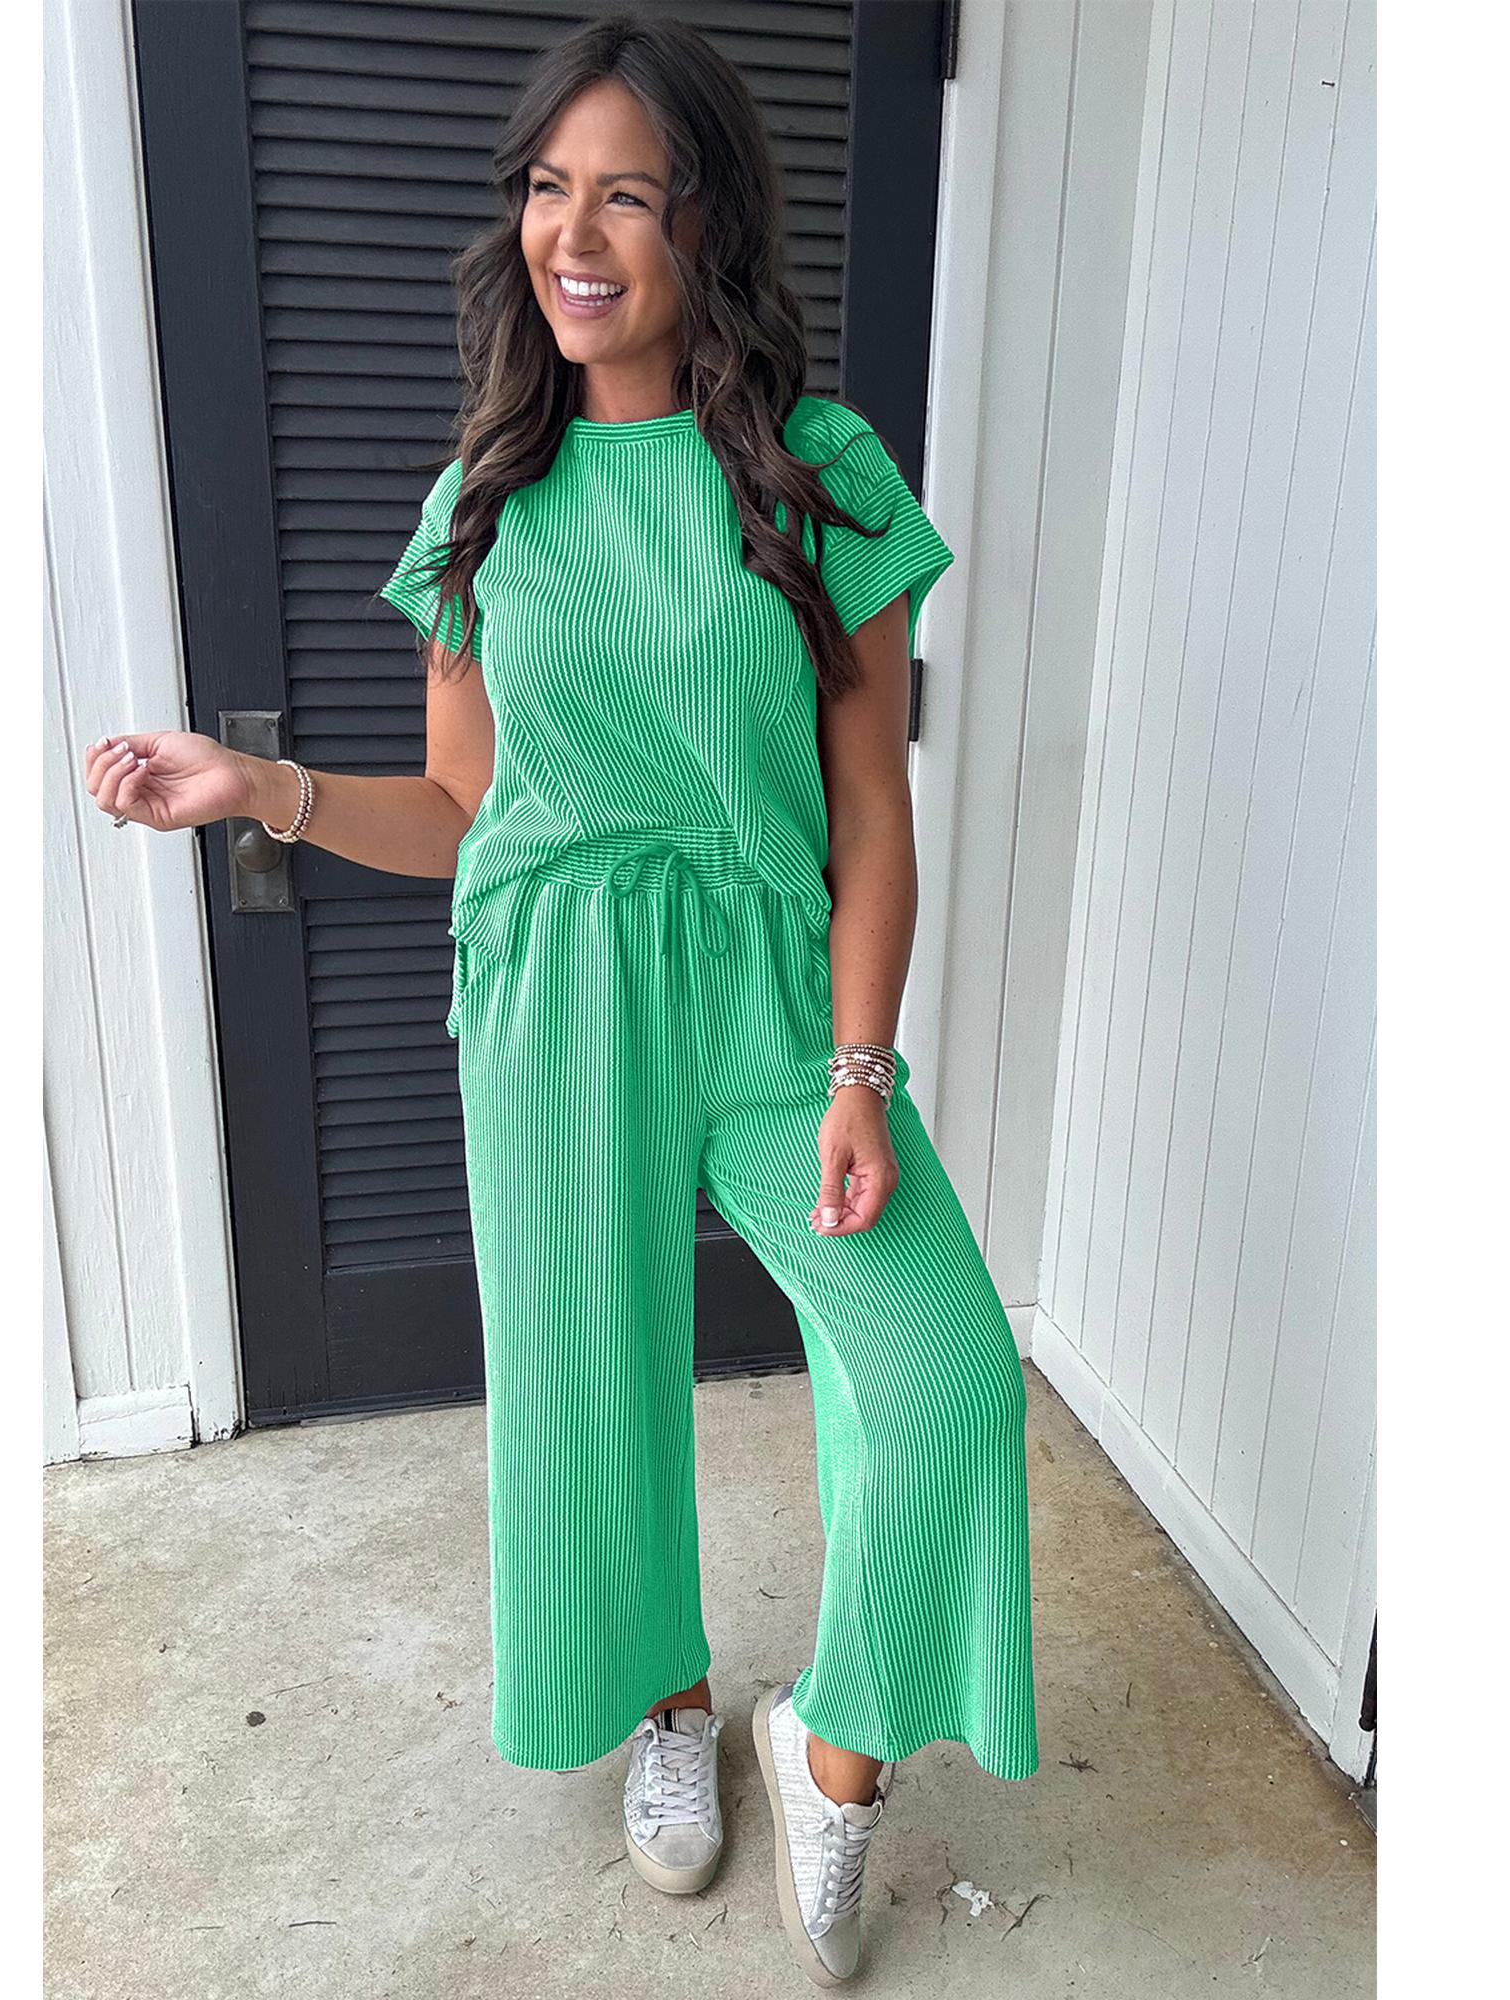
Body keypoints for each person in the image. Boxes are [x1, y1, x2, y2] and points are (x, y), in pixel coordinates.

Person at [83, 12, 1038, 1986]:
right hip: (553, 998)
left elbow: (874, 816)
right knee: (587, 1390)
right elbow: (464, 811)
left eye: (626, 194)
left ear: (710, 222)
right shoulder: (486, 497)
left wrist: (859, 1067)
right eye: (546, 187)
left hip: (768, 995)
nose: (573, 235)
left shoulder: (821, 476)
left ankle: (834, 1745)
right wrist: (258, 788)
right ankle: (664, 1704)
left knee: (943, 1369)